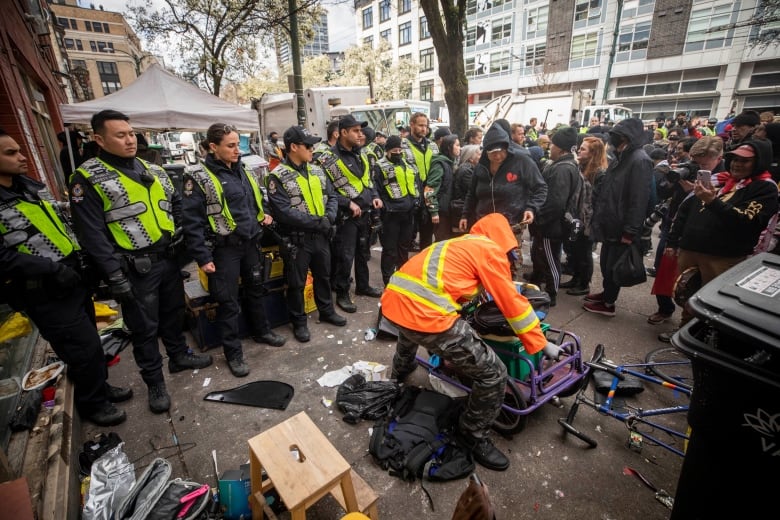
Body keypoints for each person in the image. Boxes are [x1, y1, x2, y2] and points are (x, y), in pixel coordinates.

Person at [381, 213, 560, 471]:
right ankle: (472, 435)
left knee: (410, 328)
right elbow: (511, 302)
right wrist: (539, 341)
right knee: (494, 374)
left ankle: (400, 371)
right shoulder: (489, 250)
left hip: (394, 303)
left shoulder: (456, 243)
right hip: (425, 316)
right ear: (505, 240)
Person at [69, 110, 213, 413]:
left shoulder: (152, 168)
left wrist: (178, 231)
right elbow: (91, 233)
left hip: (168, 259)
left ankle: (178, 356)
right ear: (99, 139)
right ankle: (154, 382)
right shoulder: (88, 177)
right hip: (134, 267)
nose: (129, 139)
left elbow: (174, 201)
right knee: (144, 329)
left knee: (173, 314)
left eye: (131, 133)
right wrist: (114, 276)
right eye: (120, 135)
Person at [0, 128, 131, 427]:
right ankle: (94, 404)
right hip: (44, 290)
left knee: (92, 343)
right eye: (11, 153)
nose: (21, 157)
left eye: (19, 150)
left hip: (71, 279)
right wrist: (51, 269)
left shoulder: (27, 187)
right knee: (81, 348)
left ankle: (100, 389)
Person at [181, 123, 287, 376]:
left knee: (255, 290)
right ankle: (233, 353)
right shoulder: (198, 176)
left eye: (238, 144)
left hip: (250, 243)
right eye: (230, 145)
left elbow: (256, 201)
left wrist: (265, 216)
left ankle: (262, 331)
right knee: (227, 302)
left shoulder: (244, 169)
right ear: (213, 147)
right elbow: (191, 221)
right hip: (223, 250)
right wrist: (203, 258)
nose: (237, 150)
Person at [658, 140, 778, 342]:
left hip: (722, 257)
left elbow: (746, 221)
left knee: (711, 303)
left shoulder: (764, 189)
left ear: (759, 162)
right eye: (735, 159)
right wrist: (672, 241)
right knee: (688, 295)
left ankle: (704, 340)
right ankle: (684, 332)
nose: (736, 164)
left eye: (745, 161)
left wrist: (713, 202)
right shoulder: (717, 180)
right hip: (690, 249)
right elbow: (685, 212)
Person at [266, 126, 346, 342]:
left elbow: (332, 197)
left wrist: (328, 219)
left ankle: (327, 311)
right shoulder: (277, 176)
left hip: (321, 236)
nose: (313, 149)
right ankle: (299, 322)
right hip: (297, 240)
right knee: (296, 283)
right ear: (293, 147)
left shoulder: (317, 170)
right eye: (308, 145)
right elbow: (283, 212)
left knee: (324, 276)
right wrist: (319, 222)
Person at [583, 117, 653, 317]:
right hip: (610, 223)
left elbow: (639, 199)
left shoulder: (640, 160)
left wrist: (630, 231)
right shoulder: (621, 157)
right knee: (606, 263)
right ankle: (607, 294)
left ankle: (608, 303)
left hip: (622, 226)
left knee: (614, 266)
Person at [459, 122, 547, 276]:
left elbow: (540, 188)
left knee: (507, 266)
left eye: (501, 151)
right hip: (483, 225)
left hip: (510, 225)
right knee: (485, 265)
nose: (498, 156)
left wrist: (531, 208)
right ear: (485, 151)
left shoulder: (522, 161)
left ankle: (506, 295)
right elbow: (472, 193)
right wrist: (465, 215)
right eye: (493, 152)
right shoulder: (481, 166)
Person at [316, 114, 384, 313]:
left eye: (361, 130)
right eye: (355, 131)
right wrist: (348, 203)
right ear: (342, 133)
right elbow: (326, 192)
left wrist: (374, 196)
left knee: (363, 253)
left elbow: (367, 181)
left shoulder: (360, 153)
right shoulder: (328, 159)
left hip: (365, 213)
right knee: (345, 257)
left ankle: (363, 286)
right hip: (346, 217)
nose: (360, 134)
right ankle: (343, 293)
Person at [528, 127, 581, 306]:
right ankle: (540, 284)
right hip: (551, 224)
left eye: (553, 145)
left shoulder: (562, 169)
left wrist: (540, 220)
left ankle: (552, 294)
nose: (550, 148)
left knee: (552, 260)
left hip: (552, 226)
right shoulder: (562, 166)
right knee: (546, 257)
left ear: (561, 148)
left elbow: (556, 203)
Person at [561, 136, 608, 296]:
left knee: (584, 252)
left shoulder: (599, 173)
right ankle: (575, 278)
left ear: (593, 153)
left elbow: (598, 200)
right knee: (575, 250)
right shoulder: (579, 167)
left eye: (583, 149)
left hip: (588, 220)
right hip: (575, 216)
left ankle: (583, 284)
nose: (579, 151)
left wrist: (591, 222)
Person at [372, 135, 418, 285]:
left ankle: (403, 277)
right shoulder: (379, 166)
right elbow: (376, 189)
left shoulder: (408, 164)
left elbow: (416, 183)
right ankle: (388, 280)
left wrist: (416, 202)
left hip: (408, 213)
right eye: (394, 150)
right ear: (387, 151)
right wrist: (384, 208)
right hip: (390, 214)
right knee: (390, 250)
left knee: (404, 248)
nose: (398, 152)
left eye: (400, 149)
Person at [402, 112, 435, 251]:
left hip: (428, 194)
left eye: (426, 126)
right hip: (411, 195)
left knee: (427, 237)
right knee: (406, 237)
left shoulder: (432, 146)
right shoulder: (402, 145)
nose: (424, 129)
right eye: (420, 125)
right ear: (412, 125)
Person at [426, 134, 460, 242]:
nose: (460, 148)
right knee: (442, 243)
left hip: (448, 211)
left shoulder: (450, 163)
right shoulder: (440, 164)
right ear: (449, 147)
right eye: (457, 145)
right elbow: (430, 189)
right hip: (440, 212)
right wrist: (434, 211)